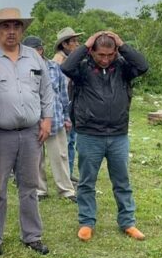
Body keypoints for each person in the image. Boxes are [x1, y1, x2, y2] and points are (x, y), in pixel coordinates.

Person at [0, 8, 54, 256]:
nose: (11, 32)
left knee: (29, 186)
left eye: (16, 27)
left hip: (31, 132)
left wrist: (47, 119)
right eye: (5, 27)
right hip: (0, 133)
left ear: (22, 30)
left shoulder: (33, 56)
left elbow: (46, 89)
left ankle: (32, 236)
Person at [61, 30, 149, 242]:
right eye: (100, 54)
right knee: (86, 182)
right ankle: (86, 222)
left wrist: (122, 44)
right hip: (89, 134)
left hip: (118, 135)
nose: (105, 59)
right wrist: (86, 44)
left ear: (115, 51)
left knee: (122, 181)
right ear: (92, 51)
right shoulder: (82, 69)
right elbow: (66, 67)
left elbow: (143, 66)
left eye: (110, 54)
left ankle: (128, 222)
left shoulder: (123, 68)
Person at [22, 36, 75, 202]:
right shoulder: (21, 69)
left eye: (35, 50)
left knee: (60, 156)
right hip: (32, 121)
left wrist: (67, 117)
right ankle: (39, 189)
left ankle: (66, 190)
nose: (33, 54)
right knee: (36, 158)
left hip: (56, 118)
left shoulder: (54, 67)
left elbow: (62, 94)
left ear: (41, 49)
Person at [53, 27, 82, 184]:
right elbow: (60, 89)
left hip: (72, 104)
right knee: (67, 142)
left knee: (71, 141)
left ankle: (69, 173)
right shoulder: (59, 61)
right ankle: (66, 176)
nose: (77, 44)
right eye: (73, 41)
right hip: (66, 106)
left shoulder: (69, 59)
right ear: (64, 44)